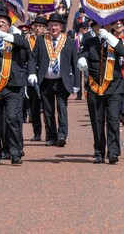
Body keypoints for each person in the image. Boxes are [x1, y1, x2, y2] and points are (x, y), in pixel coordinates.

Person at [0, 10, 30, 165]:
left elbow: (24, 45)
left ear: (9, 26)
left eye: (3, 23)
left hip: (12, 86)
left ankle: (15, 153)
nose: (0, 25)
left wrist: (5, 37)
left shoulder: (15, 38)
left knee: (13, 119)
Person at [27, 13, 80, 148]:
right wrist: (32, 73)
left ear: (61, 27)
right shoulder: (41, 40)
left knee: (62, 108)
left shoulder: (68, 41)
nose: (53, 28)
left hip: (62, 81)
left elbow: (75, 63)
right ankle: (51, 136)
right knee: (48, 110)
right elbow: (33, 58)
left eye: (56, 25)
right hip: (45, 80)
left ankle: (62, 135)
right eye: (51, 25)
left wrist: (77, 84)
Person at [79, 20, 124, 164]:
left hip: (114, 86)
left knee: (113, 119)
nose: (101, 28)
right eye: (98, 26)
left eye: (105, 26)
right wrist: (81, 59)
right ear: (93, 28)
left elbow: (122, 51)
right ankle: (99, 152)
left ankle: (113, 151)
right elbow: (84, 54)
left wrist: (109, 37)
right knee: (97, 120)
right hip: (95, 86)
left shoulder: (115, 40)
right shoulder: (89, 42)